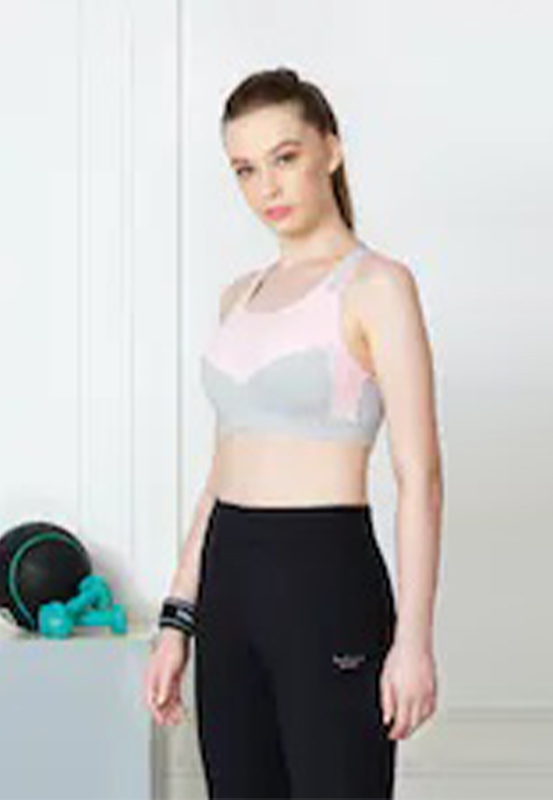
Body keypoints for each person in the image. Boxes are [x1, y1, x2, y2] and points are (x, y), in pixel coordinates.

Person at [142, 66, 443, 800]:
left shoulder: (376, 286)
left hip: (324, 578)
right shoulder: (237, 297)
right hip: (229, 581)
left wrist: (413, 641)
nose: (265, 187)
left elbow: (420, 476)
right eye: (245, 169)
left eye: (284, 157)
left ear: (329, 150)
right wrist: (178, 619)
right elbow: (222, 470)